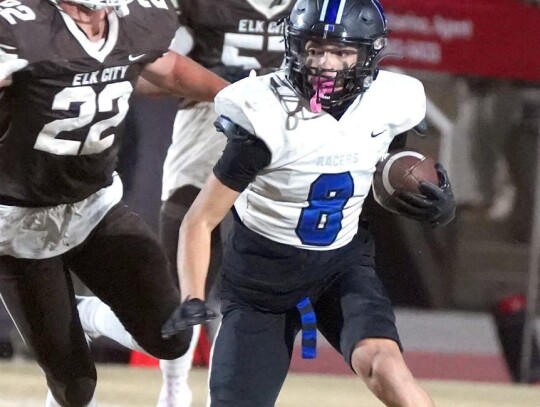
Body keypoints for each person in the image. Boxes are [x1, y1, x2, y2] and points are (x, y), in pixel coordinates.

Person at [161, 0, 455, 406]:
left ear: (368, 54)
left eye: (341, 51)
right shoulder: (265, 114)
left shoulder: (391, 100)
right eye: (314, 48)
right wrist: (192, 295)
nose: (325, 63)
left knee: (383, 364)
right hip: (261, 281)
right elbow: (199, 220)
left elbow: (376, 172)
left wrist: (431, 204)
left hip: (341, 267)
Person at [0, 0, 227, 406]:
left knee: (173, 336)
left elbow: (167, 68)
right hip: (17, 224)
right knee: (75, 387)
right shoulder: (21, 27)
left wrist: (234, 100)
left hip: (95, 207)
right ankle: (72, 325)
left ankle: (87, 315)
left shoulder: (135, 22)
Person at [156, 1, 295, 406]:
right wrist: (219, 86)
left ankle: (231, 391)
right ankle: (174, 385)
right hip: (207, 127)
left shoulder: (313, 7)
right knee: (179, 272)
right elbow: (148, 73)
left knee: (253, 280)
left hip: (282, 135)